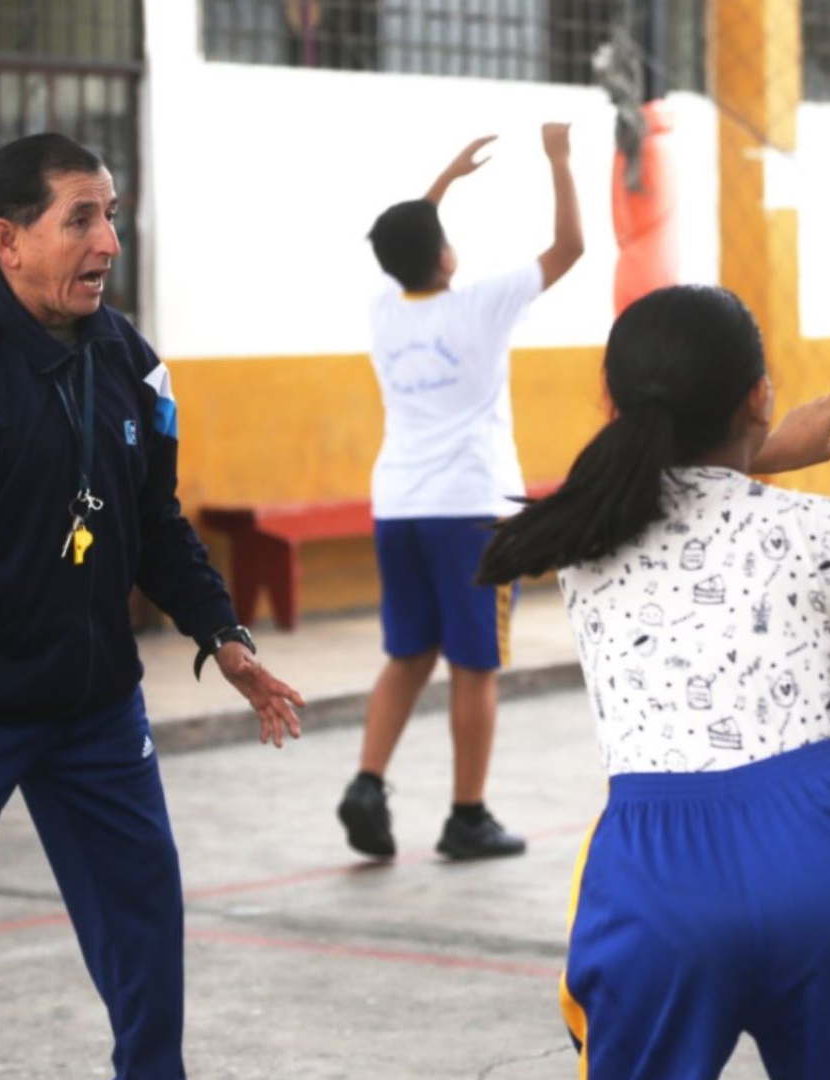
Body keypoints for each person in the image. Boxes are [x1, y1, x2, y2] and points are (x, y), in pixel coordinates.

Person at [0, 133, 306, 1080]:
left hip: (93, 709)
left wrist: (224, 635)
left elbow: (153, 523)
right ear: (8, 240)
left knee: (145, 921)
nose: (107, 243)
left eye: (111, 217)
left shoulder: (130, 362)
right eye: (80, 218)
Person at [475, 285, 830, 1080]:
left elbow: (670, 489)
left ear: (611, 400)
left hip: (656, 877)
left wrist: (754, 449)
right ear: (759, 396)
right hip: (820, 859)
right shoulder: (825, 531)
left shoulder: (584, 538)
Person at [336, 125, 586, 861]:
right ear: (444, 254)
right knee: (475, 662)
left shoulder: (386, 307)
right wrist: (560, 160)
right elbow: (568, 248)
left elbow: (405, 235)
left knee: (409, 653)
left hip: (399, 507)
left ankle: (366, 784)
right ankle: (466, 814)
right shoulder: (480, 303)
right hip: (470, 509)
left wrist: (443, 179)